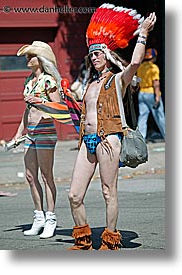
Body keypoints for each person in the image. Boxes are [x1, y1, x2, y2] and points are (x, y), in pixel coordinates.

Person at [67, 4, 157, 250]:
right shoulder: (89, 85)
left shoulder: (118, 81)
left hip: (109, 140)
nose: (94, 57)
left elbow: (136, 62)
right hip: (88, 142)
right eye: (92, 55)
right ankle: (83, 239)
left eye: (98, 54)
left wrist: (143, 33)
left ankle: (110, 238)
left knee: (109, 192)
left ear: (107, 55)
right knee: (74, 195)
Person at [13, 41, 62, 238]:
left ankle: (51, 218)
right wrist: (18, 132)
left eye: (31, 55)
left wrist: (41, 101)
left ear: (40, 60)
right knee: (30, 176)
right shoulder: (29, 81)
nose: (27, 58)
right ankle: (39, 217)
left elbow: (59, 107)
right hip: (30, 133)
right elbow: (27, 110)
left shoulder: (49, 81)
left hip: (45, 131)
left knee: (46, 175)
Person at [137, 48, 165, 140]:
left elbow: (137, 80)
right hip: (151, 93)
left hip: (141, 93)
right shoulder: (153, 68)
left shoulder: (140, 67)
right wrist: (157, 97)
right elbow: (156, 83)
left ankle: (141, 138)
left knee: (142, 117)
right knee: (159, 116)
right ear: (154, 57)